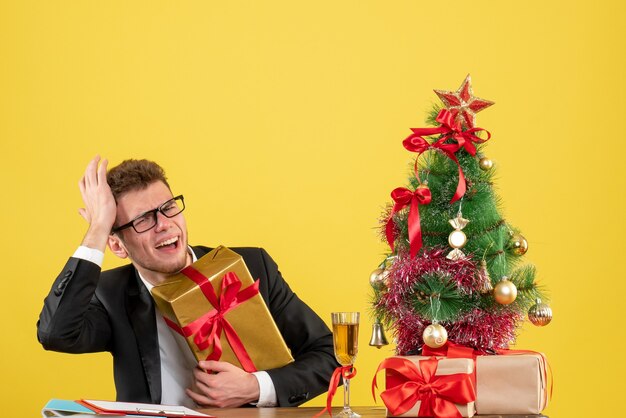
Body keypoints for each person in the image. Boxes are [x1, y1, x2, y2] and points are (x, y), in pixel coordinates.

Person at [37, 156, 339, 408]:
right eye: (143, 220)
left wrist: (255, 387)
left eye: (168, 207)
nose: (164, 224)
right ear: (117, 246)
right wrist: (98, 229)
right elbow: (55, 334)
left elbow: (330, 356)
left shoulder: (249, 265)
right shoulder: (110, 294)